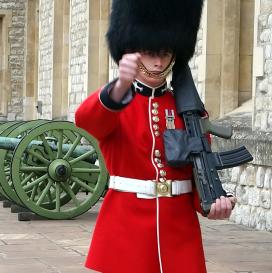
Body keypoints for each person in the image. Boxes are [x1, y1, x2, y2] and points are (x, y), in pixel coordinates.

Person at [74, 0, 237, 272]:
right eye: (150, 52)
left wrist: (216, 203)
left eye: (164, 52)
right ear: (131, 51)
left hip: (179, 232)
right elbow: (87, 121)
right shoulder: (116, 104)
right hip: (127, 230)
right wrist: (119, 87)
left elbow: (198, 172)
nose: (159, 62)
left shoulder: (189, 111)